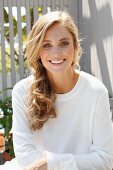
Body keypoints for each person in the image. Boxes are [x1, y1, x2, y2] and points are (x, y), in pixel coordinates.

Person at [1, 10, 113, 170]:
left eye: (64, 43)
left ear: (75, 46)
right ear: (38, 51)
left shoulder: (95, 92)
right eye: (46, 45)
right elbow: (25, 158)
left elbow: (105, 160)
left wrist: (51, 162)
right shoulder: (22, 91)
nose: (56, 53)